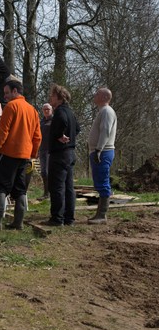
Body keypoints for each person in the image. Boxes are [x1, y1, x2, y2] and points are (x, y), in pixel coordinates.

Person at [0, 80, 42, 230]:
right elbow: (37, 136)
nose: (4, 96)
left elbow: (3, 131)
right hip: (24, 156)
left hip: (8, 153)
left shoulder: (11, 107)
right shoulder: (33, 110)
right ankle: (18, 222)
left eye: (6, 92)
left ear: (15, 91)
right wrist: (33, 154)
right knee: (20, 188)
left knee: (0, 187)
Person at [44, 84, 80, 227]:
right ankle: (69, 218)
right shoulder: (70, 112)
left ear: (59, 97)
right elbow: (77, 128)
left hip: (59, 154)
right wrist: (68, 136)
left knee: (57, 187)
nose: (50, 98)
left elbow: (63, 122)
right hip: (70, 153)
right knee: (69, 187)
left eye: (52, 95)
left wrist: (60, 135)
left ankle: (57, 219)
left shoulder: (59, 112)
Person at [88, 87, 117, 224]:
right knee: (99, 181)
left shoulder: (106, 111)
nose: (95, 95)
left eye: (98, 93)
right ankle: (99, 214)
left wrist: (99, 149)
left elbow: (105, 131)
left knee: (103, 182)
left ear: (105, 97)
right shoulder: (103, 111)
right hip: (100, 151)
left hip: (103, 152)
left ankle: (102, 215)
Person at [38, 103, 53, 199]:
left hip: (51, 149)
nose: (46, 111)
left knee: (49, 172)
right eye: (44, 109)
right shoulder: (41, 122)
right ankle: (46, 193)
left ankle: (52, 193)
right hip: (42, 149)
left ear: (51, 110)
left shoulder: (55, 121)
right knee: (43, 172)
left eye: (48, 109)